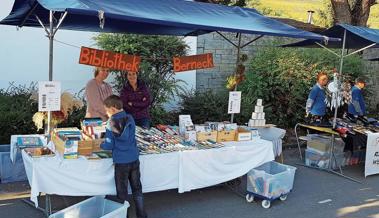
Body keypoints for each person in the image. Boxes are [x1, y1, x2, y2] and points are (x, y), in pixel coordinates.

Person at [101, 95, 147, 218]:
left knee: (122, 193)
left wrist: (101, 145)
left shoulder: (110, 123)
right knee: (137, 189)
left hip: (121, 162)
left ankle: (123, 215)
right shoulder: (130, 118)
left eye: (106, 110)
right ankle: (142, 215)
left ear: (113, 108)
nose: (106, 112)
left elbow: (109, 145)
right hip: (134, 158)